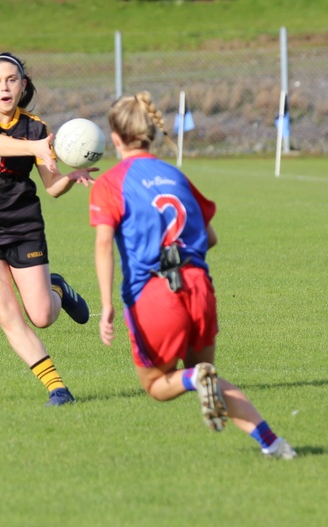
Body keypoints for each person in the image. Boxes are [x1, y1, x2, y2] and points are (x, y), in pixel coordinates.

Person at [89, 91, 296, 459]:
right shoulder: (175, 175)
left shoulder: (111, 182)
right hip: (198, 286)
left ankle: (191, 379)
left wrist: (106, 305)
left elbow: (104, 243)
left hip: (154, 292)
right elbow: (210, 237)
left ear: (116, 138)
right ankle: (274, 444)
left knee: (157, 385)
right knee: (208, 373)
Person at [0, 52, 94, 406]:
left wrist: (71, 177)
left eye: (11, 80)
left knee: (42, 316)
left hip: (22, 227)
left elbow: (52, 187)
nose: (4, 87)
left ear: (22, 85)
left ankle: (57, 288)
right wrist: (35, 149)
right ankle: (58, 389)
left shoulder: (36, 128)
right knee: (5, 311)